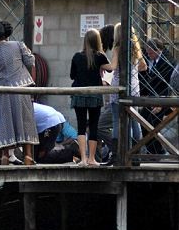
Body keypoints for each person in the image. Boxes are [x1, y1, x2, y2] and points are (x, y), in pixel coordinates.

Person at [0, 21, 39, 165]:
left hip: (3, 90)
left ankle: (5, 156)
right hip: (22, 87)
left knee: (7, 123)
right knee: (26, 121)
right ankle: (28, 156)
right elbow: (31, 61)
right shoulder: (19, 45)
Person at [105, 23, 147, 165]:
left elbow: (113, 67)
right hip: (135, 87)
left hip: (119, 87)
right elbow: (144, 66)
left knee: (118, 121)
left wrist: (101, 65)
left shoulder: (117, 48)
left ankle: (117, 154)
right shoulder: (136, 49)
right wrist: (133, 71)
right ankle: (137, 155)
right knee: (135, 121)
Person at [70, 28, 113, 166]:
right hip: (95, 95)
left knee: (81, 126)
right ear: (97, 41)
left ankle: (83, 159)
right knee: (93, 126)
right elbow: (111, 68)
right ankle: (92, 159)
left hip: (79, 94)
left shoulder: (76, 56)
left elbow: (72, 75)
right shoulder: (100, 56)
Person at [140, 37, 175, 154]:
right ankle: (153, 150)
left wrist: (161, 103)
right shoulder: (146, 58)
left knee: (152, 120)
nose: (148, 55)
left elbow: (169, 85)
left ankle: (157, 151)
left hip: (164, 98)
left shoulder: (168, 62)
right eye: (147, 52)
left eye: (150, 53)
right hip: (148, 97)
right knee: (143, 119)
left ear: (158, 50)